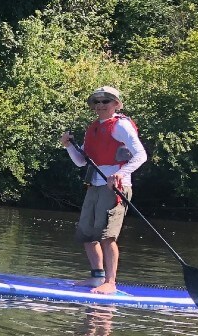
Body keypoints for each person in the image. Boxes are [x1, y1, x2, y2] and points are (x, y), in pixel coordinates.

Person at [59, 86, 146, 295]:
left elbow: (141, 155)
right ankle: (97, 278)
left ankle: (111, 282)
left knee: (107, 236)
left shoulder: (121, 126)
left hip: (115, 187)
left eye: (105, 101)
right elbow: (81, 162)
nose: (100, 106)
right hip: (94, 185)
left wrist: (121, 174)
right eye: (96, 102)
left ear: (116, 104)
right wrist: (68, 145)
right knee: (88, 234)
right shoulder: (93, 128)